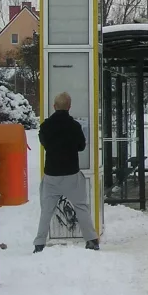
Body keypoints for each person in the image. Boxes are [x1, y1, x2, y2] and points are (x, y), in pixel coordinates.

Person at [33, 92, 99, 252]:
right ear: (69, 107)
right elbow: (81, 146)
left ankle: (39, 243)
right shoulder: (75, 126)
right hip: (72, 174)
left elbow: (44, 142)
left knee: (46, 210)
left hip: (51, 175)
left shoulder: (46, 126)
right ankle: (91, 240)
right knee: (81, 207)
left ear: (54, 106)